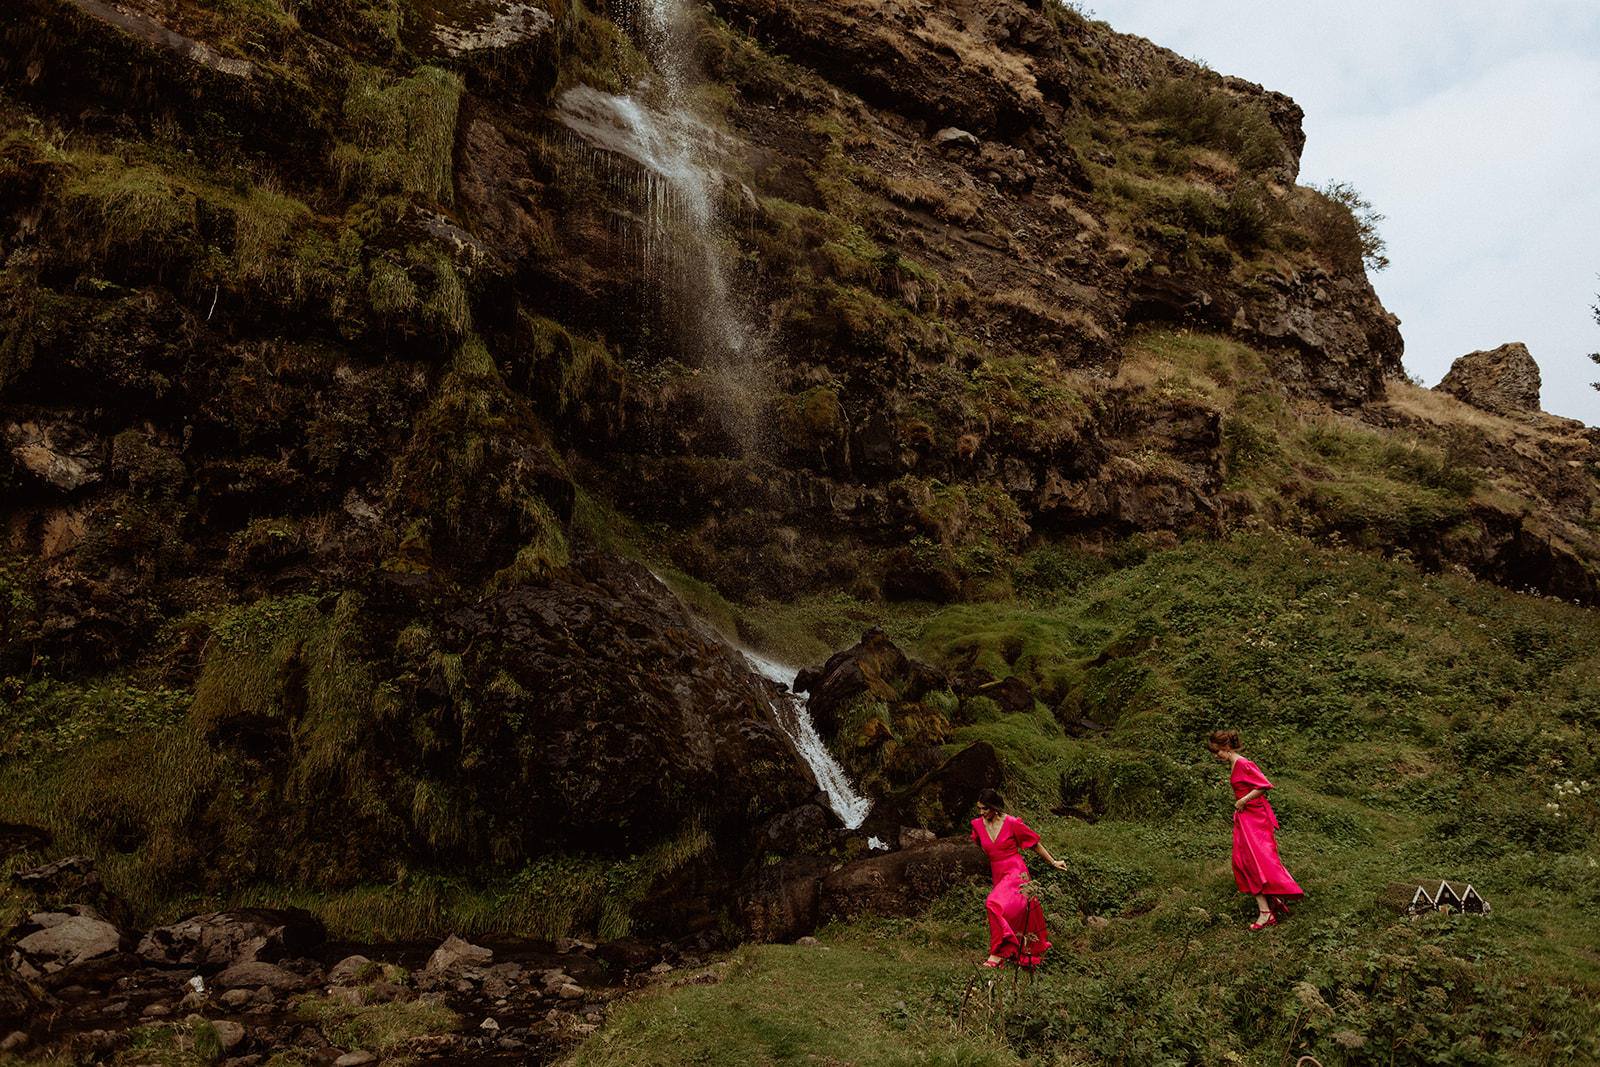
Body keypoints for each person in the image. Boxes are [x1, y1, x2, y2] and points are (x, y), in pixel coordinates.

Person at [1208, 729, 1304, 929]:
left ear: (1226, 747)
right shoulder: (1235, 763)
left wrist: (1243, 800)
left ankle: (1266, 912)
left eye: (1217, 751)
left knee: (1254, 861)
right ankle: (1271, 902)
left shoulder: (1243, 763)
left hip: (1255, 817)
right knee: (1244, 861)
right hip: (1246, 817)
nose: (1216, 756)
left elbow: (1264, 784)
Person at [970, 787, 1068, 968]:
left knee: (993, 903)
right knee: (1011, 911)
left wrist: (1053, 862)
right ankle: (1015, 947)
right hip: (998, 872)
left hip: (1015, 871)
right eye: (979, 809)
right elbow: (983, 846)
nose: (981, 813)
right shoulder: (977, 824)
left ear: (994, 807)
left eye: (985, 808)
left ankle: (996, 954)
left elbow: (1034, 843)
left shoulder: (1012, 823)